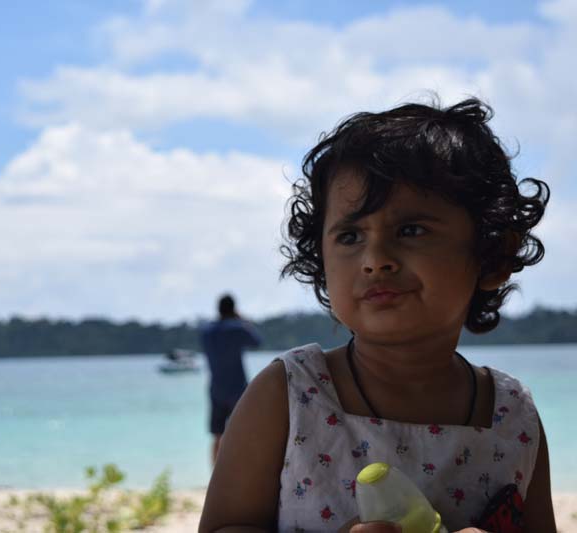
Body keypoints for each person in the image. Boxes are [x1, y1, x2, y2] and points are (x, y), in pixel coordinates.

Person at [199, 98, 556, 532]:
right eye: (350, 236)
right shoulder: (290, 396)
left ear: (494, 256)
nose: (375, 259)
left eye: (411, 230)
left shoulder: (512, 417)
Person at [201, 294, 263, 465]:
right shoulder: (238, 329)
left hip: (216, 389)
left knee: (217, 436)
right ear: (233, 308)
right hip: (237, 389)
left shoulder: (207, 331)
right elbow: (257, 342)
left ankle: (214, 478)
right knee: (244, 433)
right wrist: (243, 321)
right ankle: (243, 473)